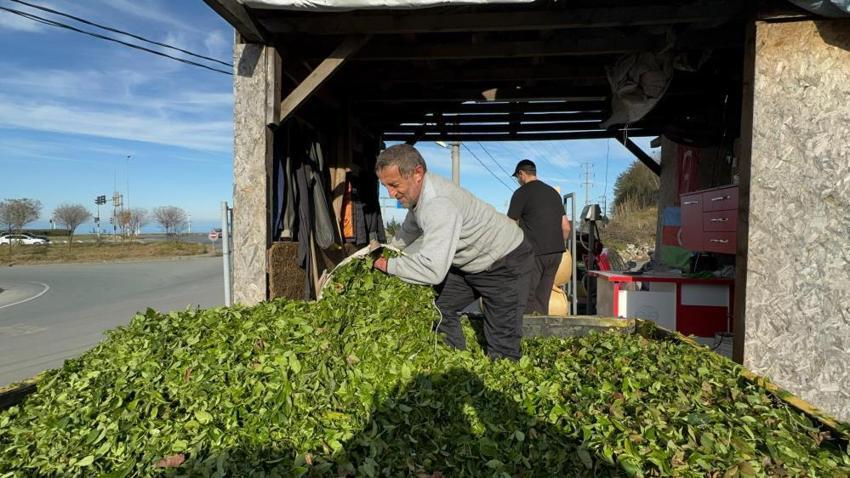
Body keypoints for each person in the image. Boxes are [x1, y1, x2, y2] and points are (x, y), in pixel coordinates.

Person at [372, 144, 533, 360]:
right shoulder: (419, 195)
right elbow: (411, 226)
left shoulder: (438, 204)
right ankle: (454, 360)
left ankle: (500, 371)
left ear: (417, 173)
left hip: (505, 262)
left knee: (502, 343)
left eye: (394, 185)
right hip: (470, 264)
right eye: (385, 186)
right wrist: (391, 249)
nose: (391, 194)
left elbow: (432, 270)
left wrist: (387, 265)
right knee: (438, 306)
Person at [507, 159, 570, 315]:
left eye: (517, 177)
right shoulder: (553, 193)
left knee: (526, 297)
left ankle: (526, 328)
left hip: (533, 253)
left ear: (521, 174)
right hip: (556, 253)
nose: (518, 181)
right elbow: (566, 227)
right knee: (543, 297)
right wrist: (557, 245)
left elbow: (510, 225)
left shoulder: (521, 193)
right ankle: (541, 328)